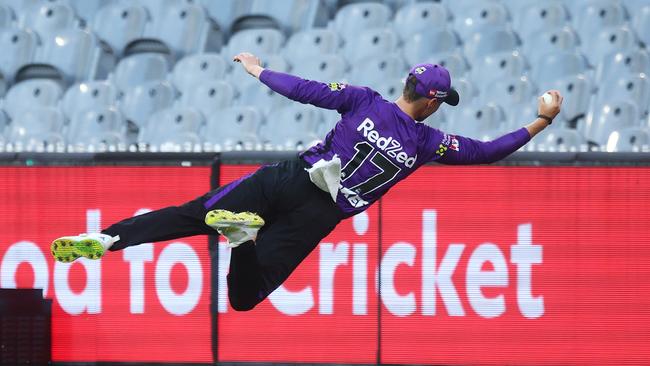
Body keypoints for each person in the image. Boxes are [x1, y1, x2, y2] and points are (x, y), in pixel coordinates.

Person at [51, 52, 563, 311]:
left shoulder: (364, 99)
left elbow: (306, 90)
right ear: (430, 100)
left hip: (290, 177)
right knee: (244, 299)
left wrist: (258, 71)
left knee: (188, 214)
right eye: (440, 101)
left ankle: (105, 238)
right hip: (323, 209)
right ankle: (244, 240)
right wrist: (541, 121)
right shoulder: (428, 143)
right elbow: (487, 151)